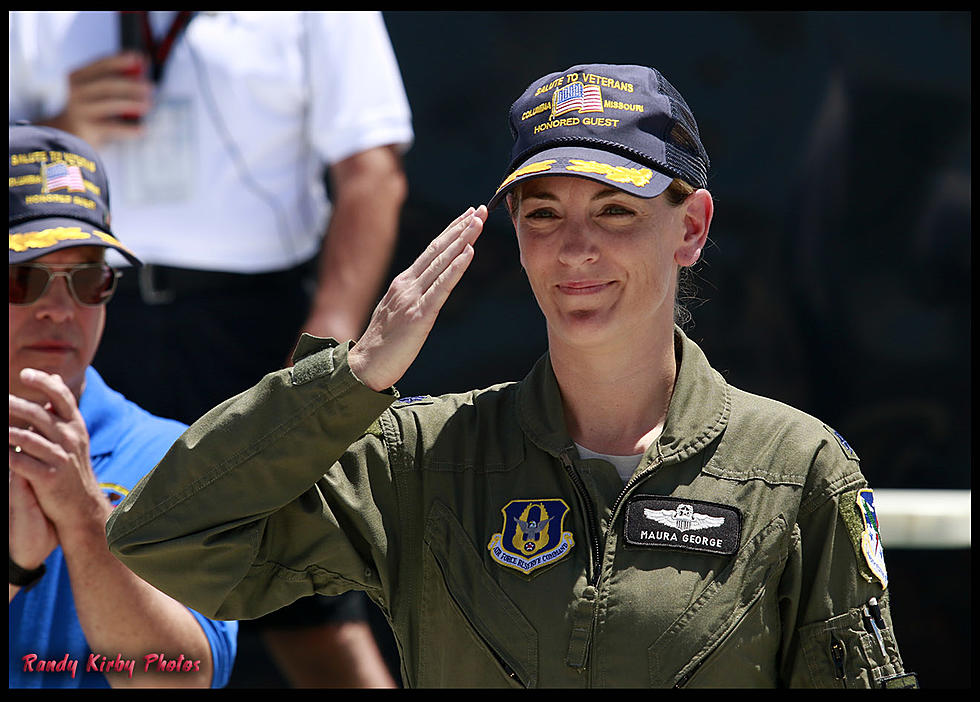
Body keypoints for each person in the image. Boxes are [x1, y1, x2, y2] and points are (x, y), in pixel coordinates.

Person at [105, 63, 918, 688]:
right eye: (543, 214)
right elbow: (162, 537)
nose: (575, 250)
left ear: (692, 227)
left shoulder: (796, 468)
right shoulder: (424, 457)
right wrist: (349, 380)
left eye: (615, 210)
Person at [8, 10, 410, 687]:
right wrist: (63, 127)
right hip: (99, 311)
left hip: (253, 328)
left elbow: (373, 171)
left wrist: (324, 351)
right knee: (70, 593)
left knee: (315, 615)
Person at [8, 124, 238, 688]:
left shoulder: (178, 456)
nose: (60, 309)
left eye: (89, 279)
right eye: (22, 278)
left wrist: (86, 523)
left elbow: (184, 680)